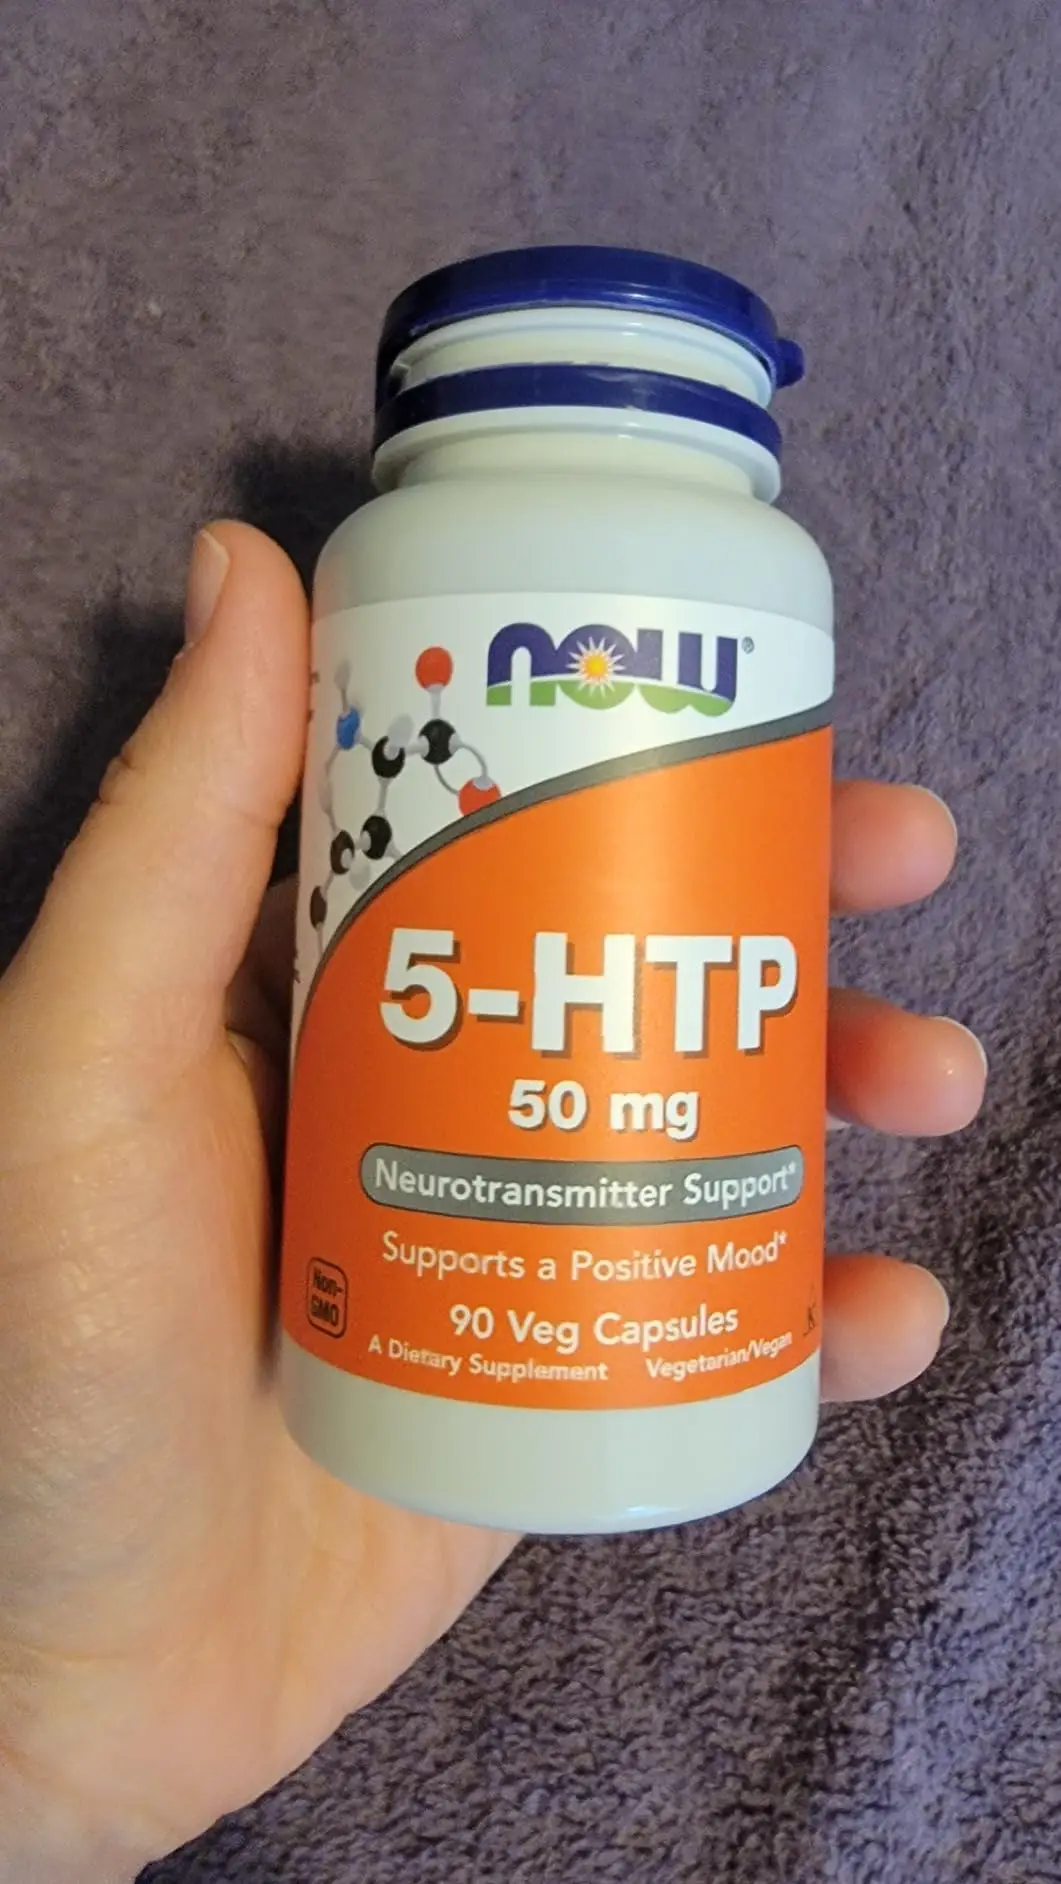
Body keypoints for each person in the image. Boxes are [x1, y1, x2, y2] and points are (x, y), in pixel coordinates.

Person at [0, 522, 987, 1883]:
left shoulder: (757, 578)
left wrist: (48, 1760)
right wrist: (39, 1735)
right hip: (356, 1331)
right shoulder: (406, 562)